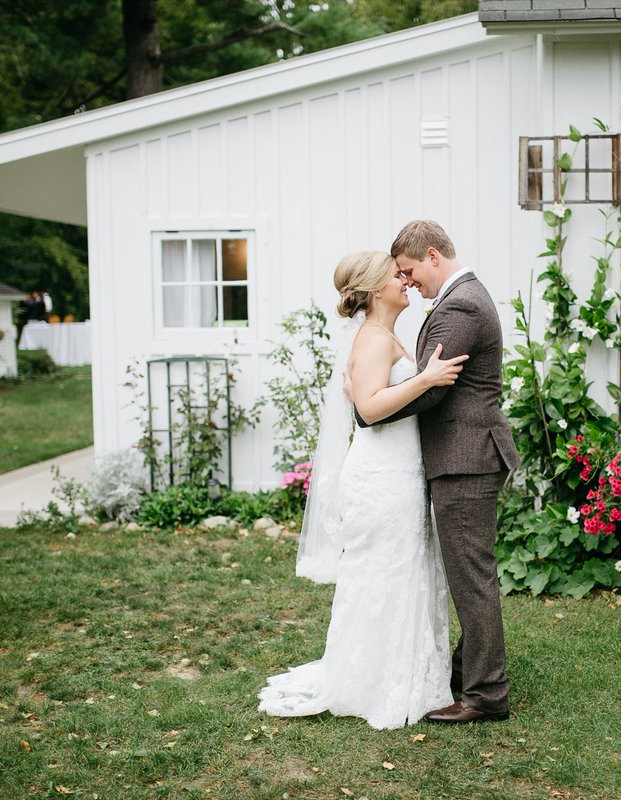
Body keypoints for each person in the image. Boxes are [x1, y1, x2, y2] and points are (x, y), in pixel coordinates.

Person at [258, 250, 469, 730]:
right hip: (383, 476)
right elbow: (371, 411)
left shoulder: (383, 336)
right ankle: (378, 679)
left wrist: (410, 381)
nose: (406, 283)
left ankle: (396, 670)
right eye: (398, 276)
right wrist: (428, 379)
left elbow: (368, 400)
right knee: (386, 569)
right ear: (376, 289)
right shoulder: (374, 339)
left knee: (397, 568)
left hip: (397, 469)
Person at [365, 220, 519, 724]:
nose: (408, 282)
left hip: (466, 459)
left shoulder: (462, 305)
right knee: (468, 574)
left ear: (432, 255)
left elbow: (433, 389)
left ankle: (485, 695)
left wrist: (369, 408)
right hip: (462, 457)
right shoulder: (460, 299)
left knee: (472, 578)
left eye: (409, 271)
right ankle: (465, 669)